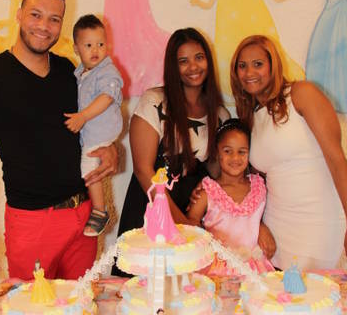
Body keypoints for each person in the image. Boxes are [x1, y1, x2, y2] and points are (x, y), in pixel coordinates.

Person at [0, 0, 117, 285]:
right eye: (35, 15)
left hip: (83, 218)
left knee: (81, 305)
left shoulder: (70, 72)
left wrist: (110, 149)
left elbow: (93, 125)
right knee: (32, 311)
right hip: (31, 223)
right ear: (19, 14)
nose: (44, 26)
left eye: (54, 19)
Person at [230, 34, 347, 270]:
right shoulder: (250, 117)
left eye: (258, 64)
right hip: (278, 232)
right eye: (242, 66)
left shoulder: (301, 93)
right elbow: (254, 182)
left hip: (321, 225)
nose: (249, 72)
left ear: (273, 65)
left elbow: (337, 160)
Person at [116, 28, 229, 270]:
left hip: (191, 212)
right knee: (144, 287)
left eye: (199, 57)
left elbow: (217, 173)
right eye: (183, 61)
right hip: (151, 212)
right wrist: (183, 224)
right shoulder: (154, 101)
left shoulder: (220, 115)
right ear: (172, 67)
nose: (193, 67)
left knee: (186, 287)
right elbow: (143, 170)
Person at [187, 118, 275, 273]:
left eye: (242, 152)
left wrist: (260, 226)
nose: (235, 158)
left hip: (253, 269)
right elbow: (191, 221)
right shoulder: (208, 191)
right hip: (218, 268)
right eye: (228, 151)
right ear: (217, 152)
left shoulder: (258, 186)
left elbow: (253, 218)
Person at [64, 14, 123, 237]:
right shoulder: (81, 72)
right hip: (93, 132)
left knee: (88, 167)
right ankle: (98, 208)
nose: (95, 50)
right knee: (87, 166)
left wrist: (82, 117)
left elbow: (107, 97)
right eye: (88, 45)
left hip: (101, 131)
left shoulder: (107, 71)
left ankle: (100, 211)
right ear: (76, 48)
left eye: (100, 44)